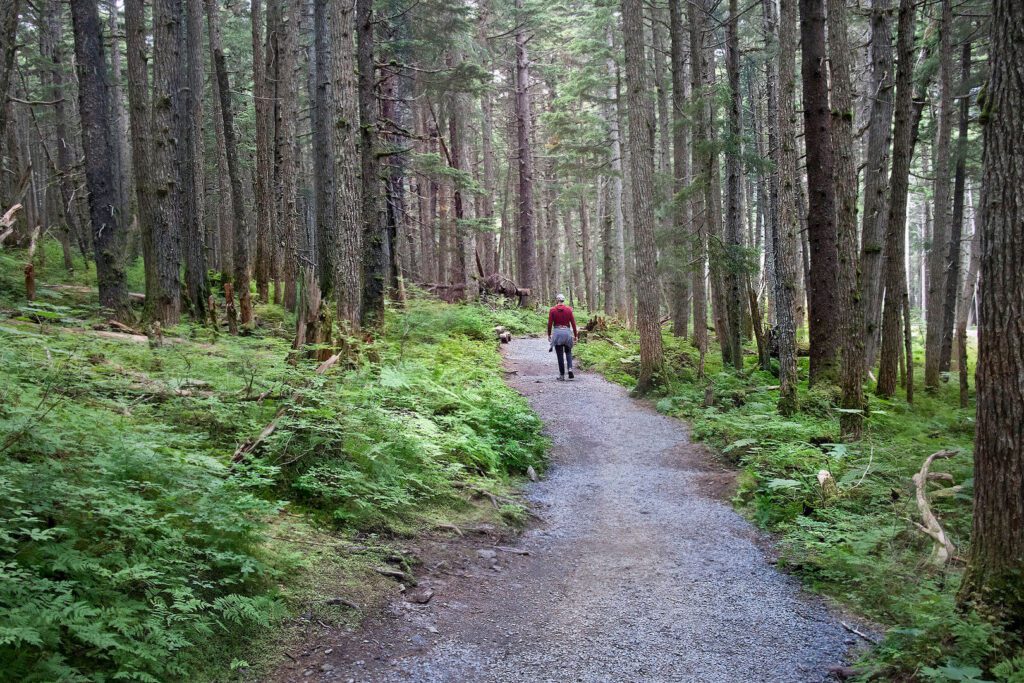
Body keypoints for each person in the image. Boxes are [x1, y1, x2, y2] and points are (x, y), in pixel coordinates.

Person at [547, 294, 578, 380]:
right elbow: (573, 323)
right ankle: (570, 369)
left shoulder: (552, 310)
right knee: (568, 352)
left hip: (557, 333)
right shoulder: (569, 310)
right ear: (563, 301)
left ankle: (562, 375)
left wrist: (549, 334)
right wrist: (575, 335)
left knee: (560, 355)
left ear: (557, 300)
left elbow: (550, 324)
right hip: (567, 333)